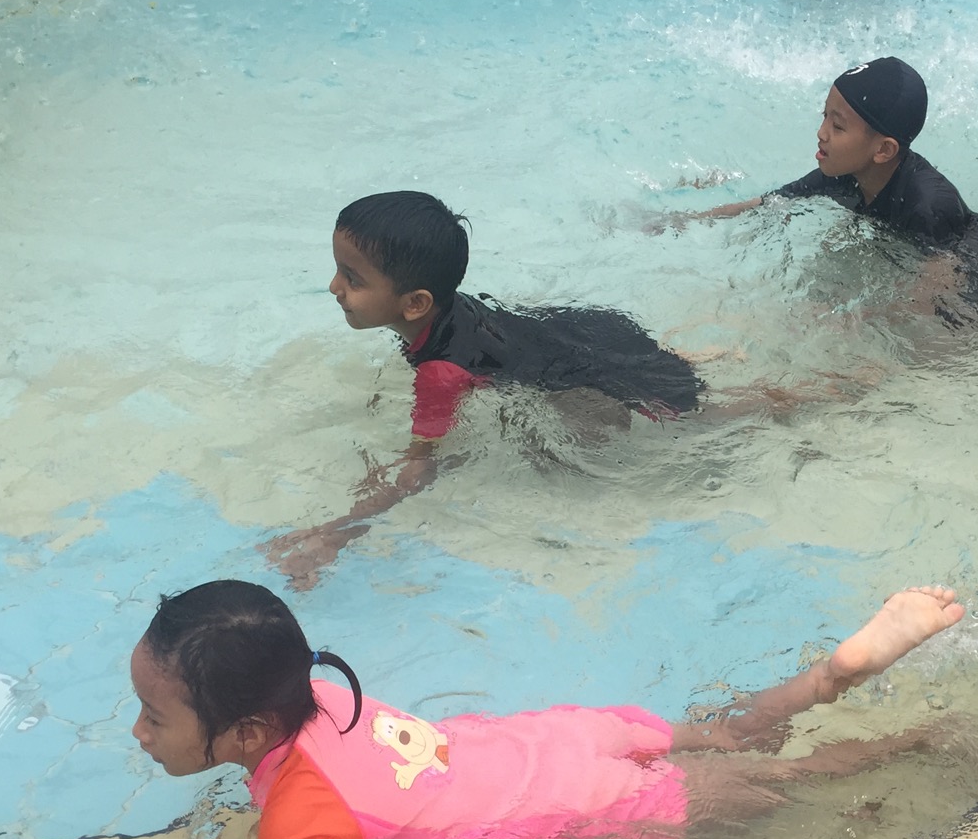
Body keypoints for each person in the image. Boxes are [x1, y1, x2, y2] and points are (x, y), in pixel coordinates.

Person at [129, 579, 966, 839]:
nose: (139, 734)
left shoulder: (291, 825)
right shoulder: (320, 691)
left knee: (790, 785)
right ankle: (816, 681)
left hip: (589, 809)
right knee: (728, 736)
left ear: (247, 735)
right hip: (571, 738)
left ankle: (922, 738)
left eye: (154, 717)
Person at [260, 193, 704, 590]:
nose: (334, 288)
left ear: (415, 303)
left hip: (598, 380)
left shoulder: (440, 372)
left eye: (352, 279)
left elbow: (418, 472)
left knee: (698, 420)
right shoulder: (448, 306)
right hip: (587, 331)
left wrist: (337, 532)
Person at [683, 58, 978, 321]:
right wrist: (683, 220)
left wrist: (854, 318)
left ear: (883, 150)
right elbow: (766, 203)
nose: (821, 133)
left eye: (837, 126)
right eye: (824, 116)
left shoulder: (927, 205)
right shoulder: (842, 173)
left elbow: (931, 297)